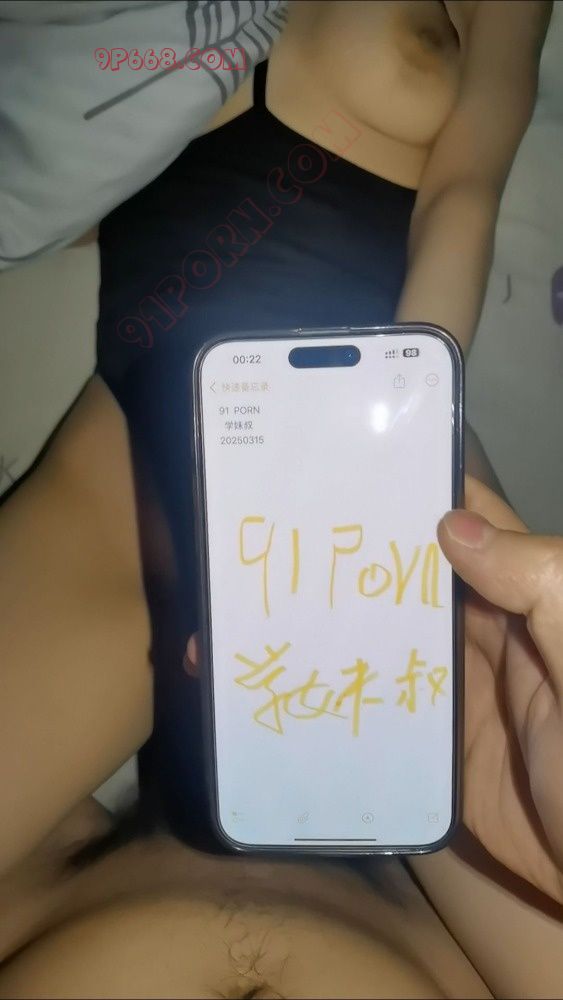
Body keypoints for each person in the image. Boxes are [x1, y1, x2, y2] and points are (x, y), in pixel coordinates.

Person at [0, 1, 559, 996]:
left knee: (451, 691)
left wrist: (386, 442)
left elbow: (463, 199)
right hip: (147, 443)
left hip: (373, 431)